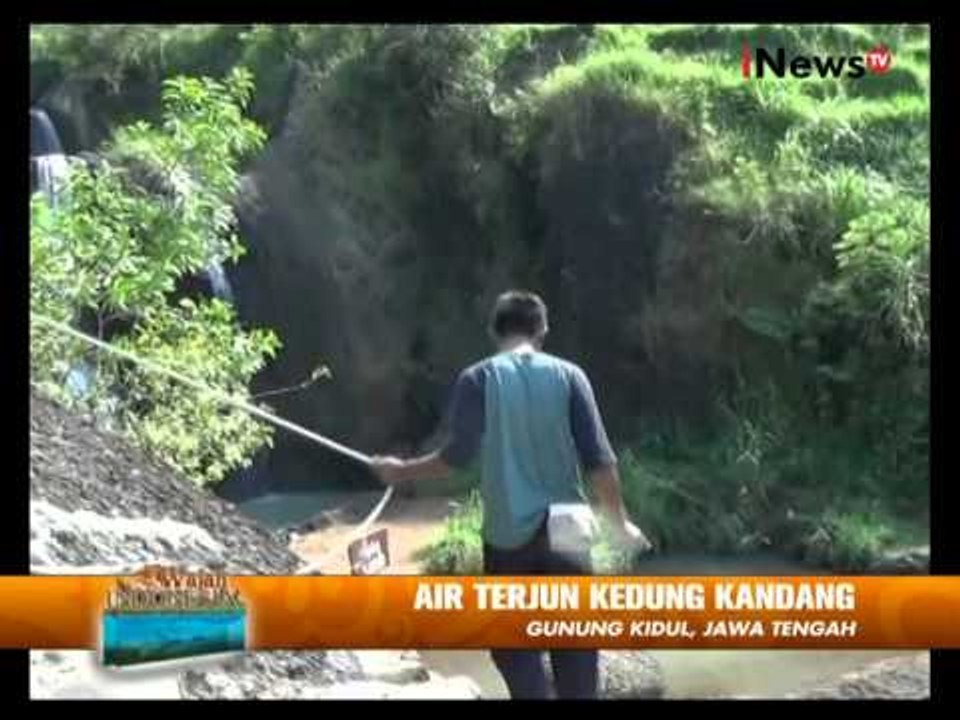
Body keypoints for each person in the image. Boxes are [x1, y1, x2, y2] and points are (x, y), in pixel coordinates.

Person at [370, 290, 645, 699]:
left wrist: (400, 471)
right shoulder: (571, 376)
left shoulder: (478, 378)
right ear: (542, 330)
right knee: (576, 645)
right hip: (569, 529)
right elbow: (600, 460)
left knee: (513, 647)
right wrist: (619, 523)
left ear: (494, 331)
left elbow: (455, 458)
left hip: (508, 535)